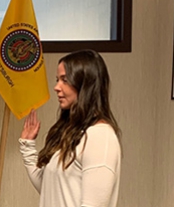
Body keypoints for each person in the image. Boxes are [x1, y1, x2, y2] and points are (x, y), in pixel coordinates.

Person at [18, 49, 122, 207]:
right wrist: (27, 147)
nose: (56, 87)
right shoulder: (74, 133)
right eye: (57, 79)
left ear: (84, 84)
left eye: (64, 80)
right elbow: (51, 188)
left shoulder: (100, 137)